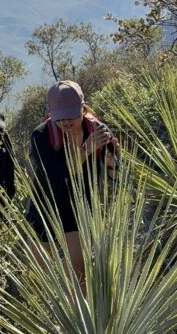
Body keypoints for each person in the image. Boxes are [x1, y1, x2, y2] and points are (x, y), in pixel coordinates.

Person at [26, 80, 118, 286]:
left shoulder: (98, 131)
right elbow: (54, 175)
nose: (66, 123)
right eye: (60, 118)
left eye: (71, 116)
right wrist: (86, 151)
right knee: (38, 274)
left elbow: (115, 179)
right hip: (46, 203)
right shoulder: (41, 135)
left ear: (82, 109)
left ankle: (79, 306)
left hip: (78, 204)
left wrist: (113, 165)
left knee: (79, 271)